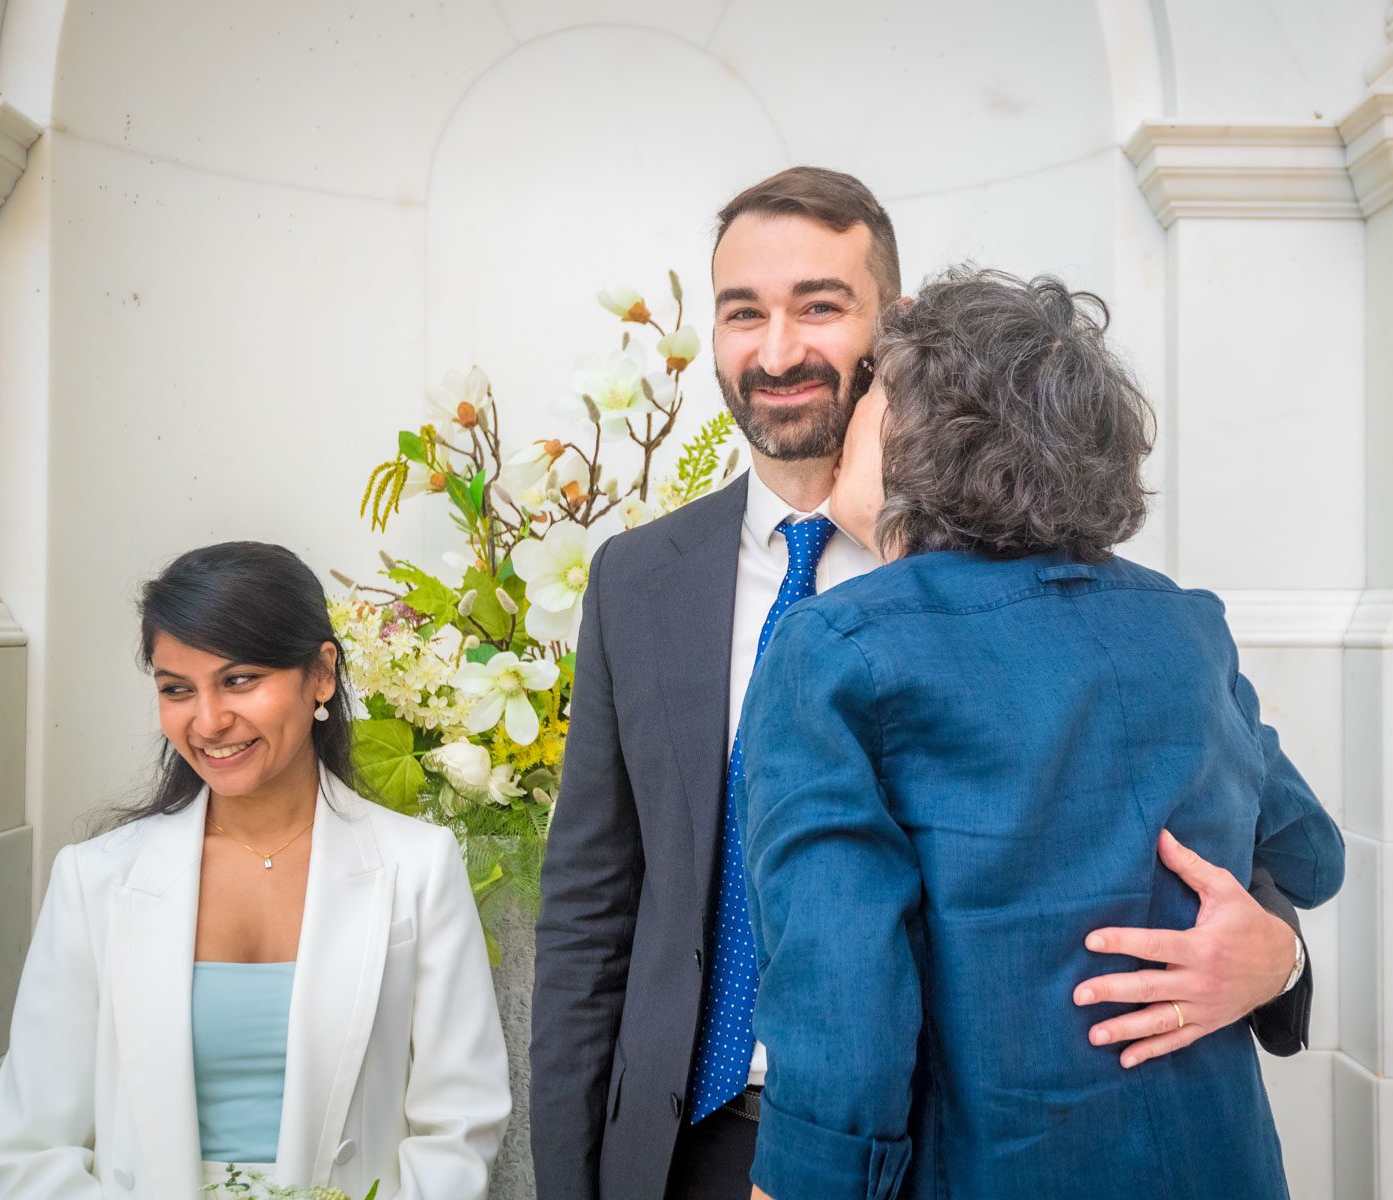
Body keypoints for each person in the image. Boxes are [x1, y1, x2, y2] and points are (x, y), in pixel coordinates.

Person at [531, 167, 1318, 1200]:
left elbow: (1223, 838)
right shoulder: (637, 579)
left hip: (934, 1145)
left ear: (892, 334)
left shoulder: (1038, 585)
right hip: (695, 1137)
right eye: (742, 314)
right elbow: (591, 903)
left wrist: (1282, 957)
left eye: (818, 306)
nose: (777, 351)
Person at [737, 268, 1345, 1199]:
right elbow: (1312, 856)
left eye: (870, 395)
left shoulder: (837, 647)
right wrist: (1277, 949)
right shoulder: (1184, 625)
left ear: (907, 428)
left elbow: (843, 1002)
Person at [0, 541, 510, 1200]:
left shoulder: (419, 868)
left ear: (321, 673)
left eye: (238, 680)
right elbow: (28, 1148)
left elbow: (459, 1124)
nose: (208, 720)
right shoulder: (97, 880)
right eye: (177, 690)